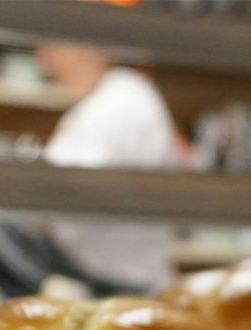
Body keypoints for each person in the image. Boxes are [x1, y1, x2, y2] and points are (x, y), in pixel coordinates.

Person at [34, 42, 182, 294]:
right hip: (104, 283)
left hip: (120, 290)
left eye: (52, 49)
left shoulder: (119, 103)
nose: (44, 62)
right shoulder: (110, 98)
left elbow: (59, 192)